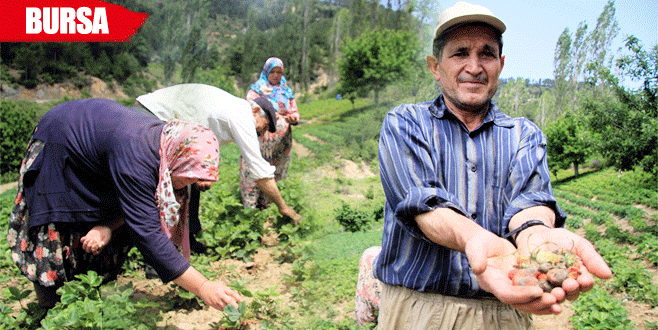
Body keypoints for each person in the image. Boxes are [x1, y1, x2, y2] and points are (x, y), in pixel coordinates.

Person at [368, 2, 613, 329]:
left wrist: (536, 235)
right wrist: (473, 238)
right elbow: (421, 203)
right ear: (435, 67)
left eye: (486, 53)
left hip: (503, 311)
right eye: (459, 54)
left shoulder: (524, 135)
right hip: (417, 310)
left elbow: (531, 203)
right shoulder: (406, 123)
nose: (474, 66)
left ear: (500, 64)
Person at [7, 99, 243, 311]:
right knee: (55, 219)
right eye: (189, 176)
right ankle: (50, 309)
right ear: (178, 156)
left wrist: (108, 225)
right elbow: (147, 232)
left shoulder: (164, 145)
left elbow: (141, 206)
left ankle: (86, 292)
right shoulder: (138, 155)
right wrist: (203, 287)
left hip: (94, 157)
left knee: (110, 226)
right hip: (59, 144)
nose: (190, 184)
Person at [134, 84, 303, 253]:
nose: (263, 132)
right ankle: (160, 253)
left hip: (154, 115)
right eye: (265, 126)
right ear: (256, 111)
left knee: (190, 179)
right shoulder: (242, 115)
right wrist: (283, 206)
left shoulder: (232, 108)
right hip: (151, 117)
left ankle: (188, 239)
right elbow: (260, 172)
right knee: (168, 189)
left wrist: (201, 174)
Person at [242, 57, 300, 211]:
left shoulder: (286, 91)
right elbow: (250, 110)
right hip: (262, 137)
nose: (276, 75)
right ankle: (250, 207)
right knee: (256, 166)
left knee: (274, 168)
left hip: (281, 140)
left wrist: (293, 119)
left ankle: (266, 205)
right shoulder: (256, 89)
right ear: (266, 72)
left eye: (279, 72)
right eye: (272, 72)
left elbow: (294, 112)